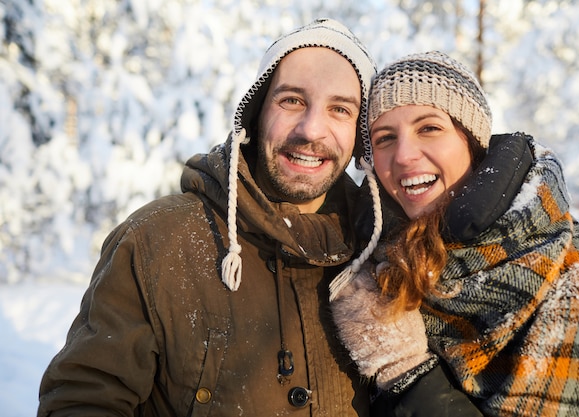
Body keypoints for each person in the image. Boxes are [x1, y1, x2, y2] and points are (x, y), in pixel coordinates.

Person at [38, 18, 377, 416]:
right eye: (292, 101)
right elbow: (83, 400)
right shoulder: (157, 241)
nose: (311, 129)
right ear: (255, 115)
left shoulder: (386, 254)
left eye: (340, 109)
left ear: (360, 136)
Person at [329, 51, 579, 416]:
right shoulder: (369, 254)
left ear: (472, 139)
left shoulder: (567, 259)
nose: (403, 155)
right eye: (384, 137)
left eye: (429, 128)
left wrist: (404, 370)